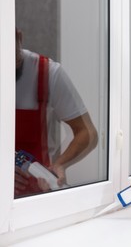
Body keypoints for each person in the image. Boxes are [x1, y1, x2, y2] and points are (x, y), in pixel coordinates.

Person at [15, 28, 98, 197]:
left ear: (19, 37)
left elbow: (87, 133)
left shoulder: (47, 72)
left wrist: (59, 164)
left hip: (37, 195)